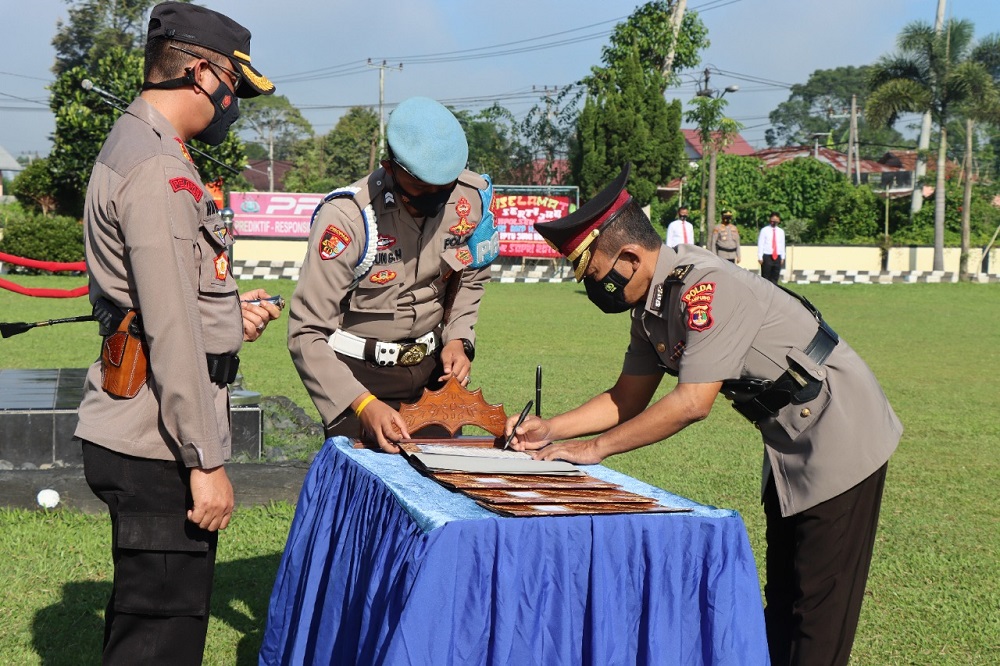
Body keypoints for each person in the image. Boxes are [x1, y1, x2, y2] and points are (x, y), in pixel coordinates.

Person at [508, 163, 901, 666]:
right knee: (782, 601)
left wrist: (593, 450)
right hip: (787, 438)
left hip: (840, 428)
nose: (593, 290)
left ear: (629, 256)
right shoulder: (649, 306)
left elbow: (693, 403)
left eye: (595, 276)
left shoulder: (705, 287)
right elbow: (627, 397)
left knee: (817, 611)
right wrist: (552, 430)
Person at [74, 3, 281, 663]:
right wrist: (207, 463)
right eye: (234, 89)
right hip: (159, 442)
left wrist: (226, 317)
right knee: (161, 635)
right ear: (201, 73)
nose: (234, 106)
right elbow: (166, 325)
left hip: (143, 424)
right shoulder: (159, 172)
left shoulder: (146, 146)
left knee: (148, 622)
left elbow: (171, 297)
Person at [288, 96, 497, 452]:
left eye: (442, 188)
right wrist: (363, 404)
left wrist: (459, 339)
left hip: (433, 375)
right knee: (363, 497)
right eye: (420, 188)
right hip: (358, 377)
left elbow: (472, 275)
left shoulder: (470, 199)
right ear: (390, 166)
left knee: (439, 493)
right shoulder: (348, 219)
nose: (433, 198)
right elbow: (306, 333)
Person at [758, 211, 786, 283]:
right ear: (770, 220)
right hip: (767, 256)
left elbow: (782, 244)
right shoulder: (764, 230)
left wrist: (783, 257)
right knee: (766, 277)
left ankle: (774, 292)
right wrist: (760, 257)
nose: (774, 221)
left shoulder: (781, 231)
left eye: (776, 220)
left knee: (775, 277)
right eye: (773, 219)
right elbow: (761, 243)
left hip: (777, 256)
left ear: (779, 220)